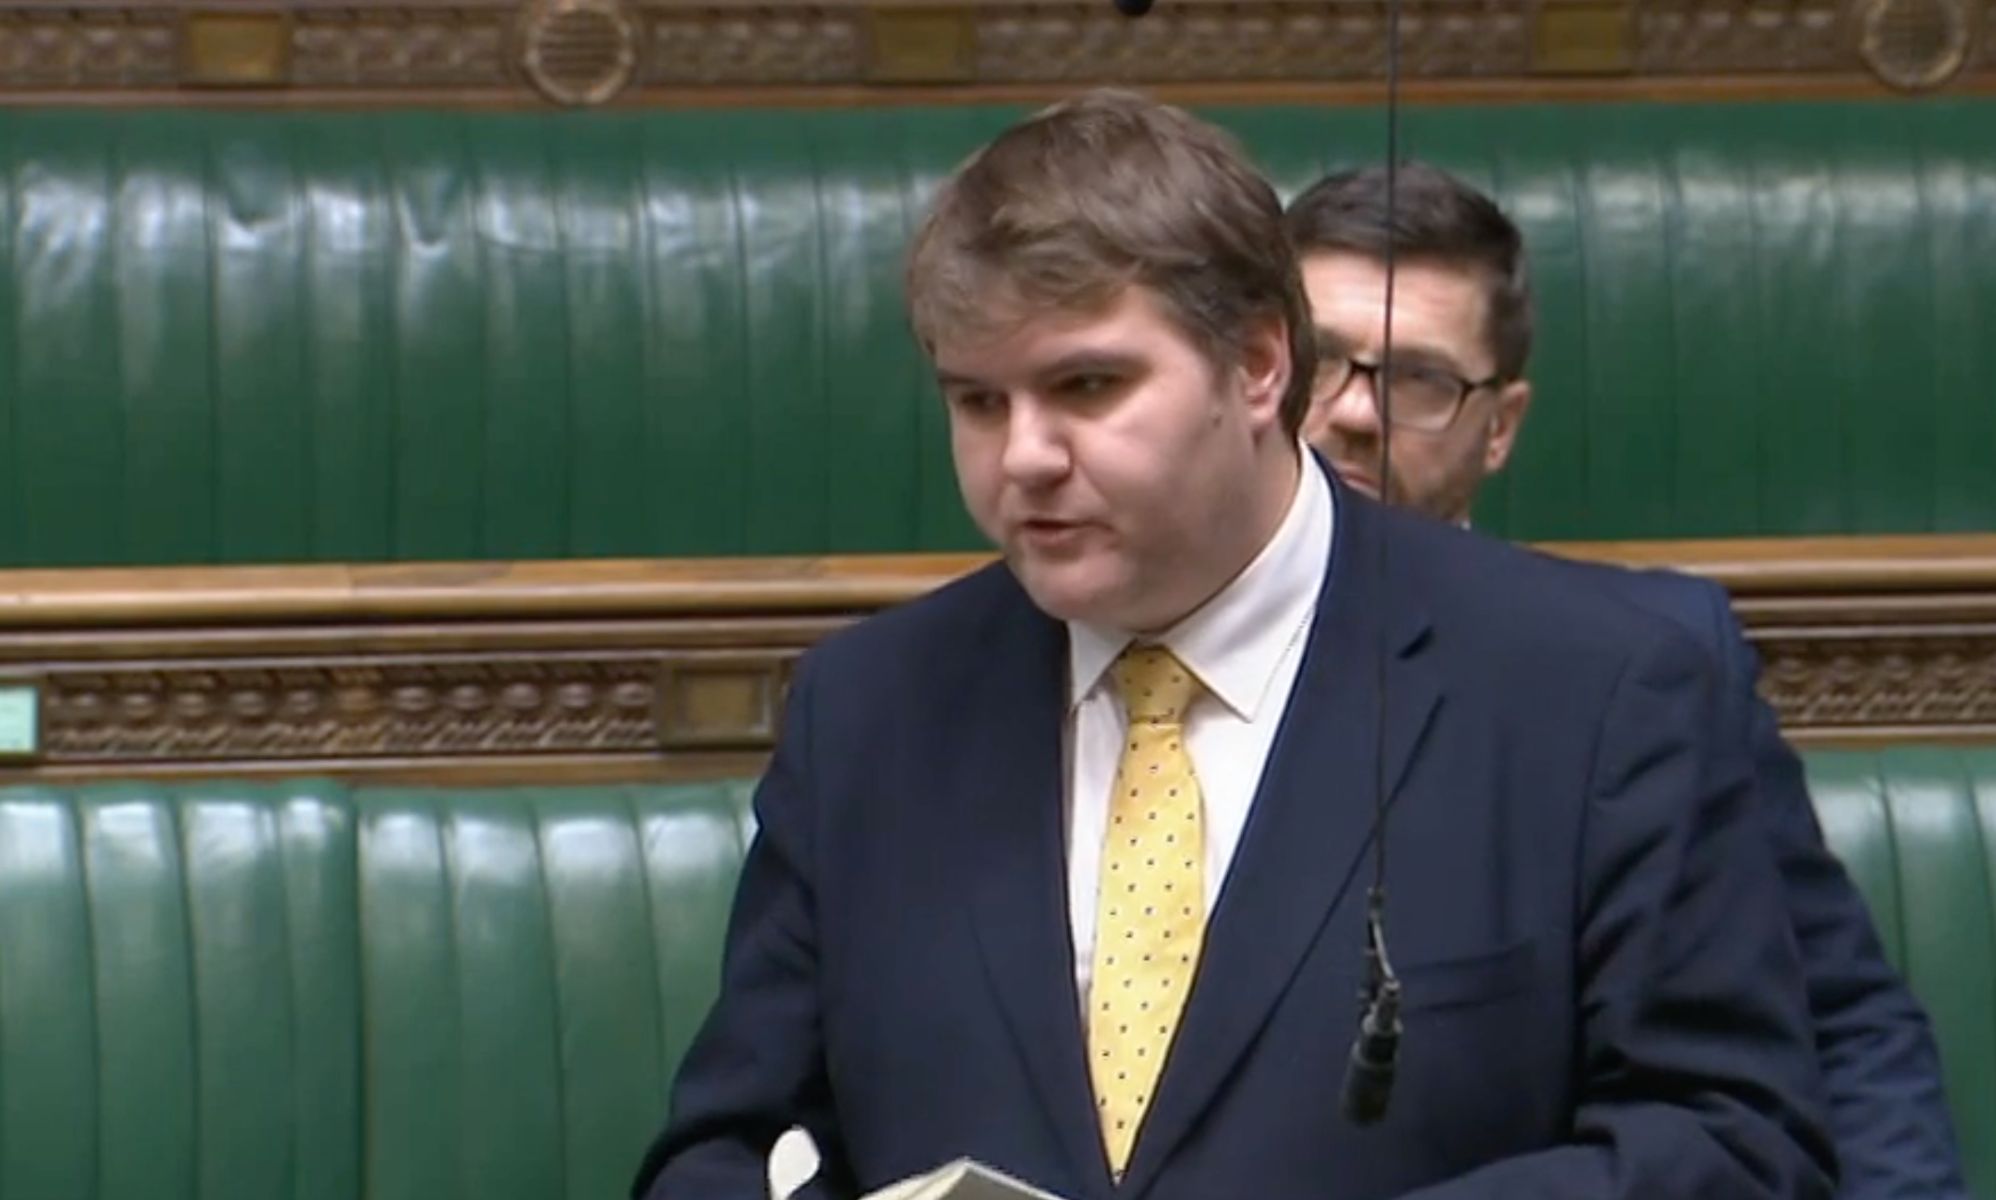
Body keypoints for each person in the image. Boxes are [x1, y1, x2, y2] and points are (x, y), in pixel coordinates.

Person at [631, 90, 1834, 1200]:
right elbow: (726, 1146)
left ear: (1258, 365)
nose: (1023, 458)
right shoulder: (870, 712)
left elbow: (1733, 1143)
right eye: (978, 402)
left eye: (1086, 386)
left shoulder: (1588, 687)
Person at [1285, 160, 1967, 1200]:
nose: (1354, 413)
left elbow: (1837, 1022)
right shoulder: (1130, 656)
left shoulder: (1648, 656)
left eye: (1418, 379)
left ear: (1500, 425)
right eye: (1318, 360)